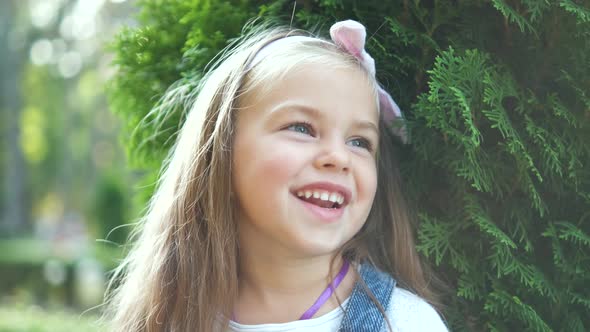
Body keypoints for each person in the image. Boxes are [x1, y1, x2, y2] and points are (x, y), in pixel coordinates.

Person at [105, 19, 449, 332]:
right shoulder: (167, 319)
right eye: (301, 127)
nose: (338, 157)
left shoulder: (405, 324)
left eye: (359, 141)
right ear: (221, 150)